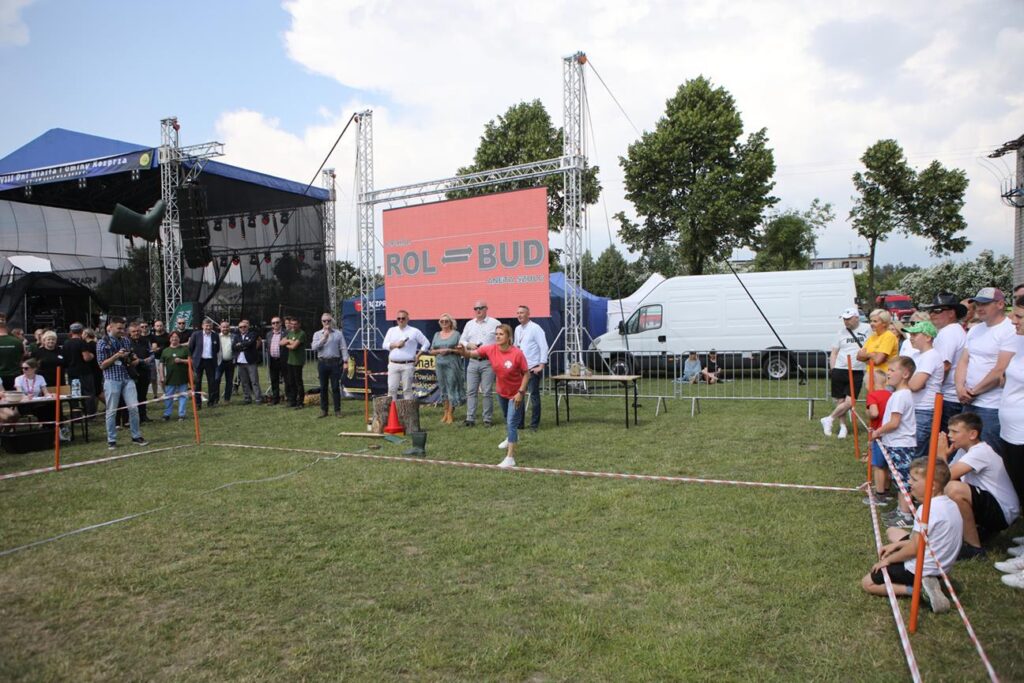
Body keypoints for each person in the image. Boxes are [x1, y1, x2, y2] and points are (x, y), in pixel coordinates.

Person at [860, 458, 960, 614]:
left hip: (921, 569)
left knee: (867, 583)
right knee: (892, 532)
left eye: (914, 479)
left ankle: (916, 590)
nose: (909, 482)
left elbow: (914, 549)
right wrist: (896, 545)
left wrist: (889, 560)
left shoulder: (927, 510)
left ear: (932, 485)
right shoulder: (950, 504)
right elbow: (922, 541)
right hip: (942, 567)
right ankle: (927, 582)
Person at [937, 412, 1020, 560]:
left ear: (973, 434)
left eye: (955, 432)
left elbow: (942, 478)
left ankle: (974, 548)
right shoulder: (963, 451)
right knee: (946, 489)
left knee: (954, 489)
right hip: (990, 505)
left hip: (1002, 511)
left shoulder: (980, 452)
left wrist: (941, 455)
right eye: (949, 431)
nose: (949, 435)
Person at [457, 324, 529, 468]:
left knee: (511, 423)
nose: (497, 336)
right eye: (496, 334)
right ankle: (511, 436)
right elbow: (470, 354)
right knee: (508, 419)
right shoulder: (490, 349)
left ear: (508, 337)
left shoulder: (517, 353)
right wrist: (463, 351)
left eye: (501, 334)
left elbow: (526, 374)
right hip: (501, 392)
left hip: (515, 394)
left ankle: (510, 458)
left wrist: (521, 392)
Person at [954, 287, 1016, 454]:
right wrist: (959, 388)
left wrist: (973, 392)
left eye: (985, 304)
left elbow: (1000, 369)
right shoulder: (975, 330)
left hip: (992, 405)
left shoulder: (1010, 329)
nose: (979, 308)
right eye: (977, 304)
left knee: (990, 454)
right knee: (966, 452)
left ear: (1000, 304)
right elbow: (963, 361)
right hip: (969, 402)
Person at [871, 356, 918, 529]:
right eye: (888, 370)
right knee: (898, 480)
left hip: (901, 445)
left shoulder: (900, 396)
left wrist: (878, 432)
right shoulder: (898, 394)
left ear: (905, 374)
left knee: (903, 481)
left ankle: (906, 515)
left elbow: (894, 422)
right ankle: (900, 510)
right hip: (895, 443)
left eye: (892, 370)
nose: (888, 373)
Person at [96, 316, 148, 450]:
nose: (122, 331)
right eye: (119, 328)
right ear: (111, 327)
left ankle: (136, 436)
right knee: (112, 411)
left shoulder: (125, 340)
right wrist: (116, 356)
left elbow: (130, 357)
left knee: (134, 407)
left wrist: (132, 358)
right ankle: (111, 439)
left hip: (127, 378)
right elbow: (102, 365)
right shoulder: (102, 342)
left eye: (123, 328)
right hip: (111, 379)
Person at [821, 307, 871, 439]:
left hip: (857, 369)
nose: (846, 321)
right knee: (840, 400)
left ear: (856, 318)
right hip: (840, 368)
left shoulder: (867, 329)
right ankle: (843, 427)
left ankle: (829, 419)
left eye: (848, 319)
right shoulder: (840, 333)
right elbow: (834, 352)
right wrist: (833, 369)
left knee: (850, 401)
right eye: (844, 319)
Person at [923, 292, 968, 433]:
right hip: (952, 395)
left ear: (951, 313)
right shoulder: (954, 330)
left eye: (937, 310)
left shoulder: (948, 332)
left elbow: (944, 366)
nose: (932, 314)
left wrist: (927, 386)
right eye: (930, 311)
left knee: (944, 438)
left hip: (948, 396)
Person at [904, 321, 944, 461]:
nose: (911, 337)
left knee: (916, 453)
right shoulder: (916, 356)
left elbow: (915, 385)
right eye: (910, 334)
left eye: (915, 334)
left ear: (928, 337)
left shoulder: (931, 356)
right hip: (914, 407)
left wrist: (904, 381)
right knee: (909, 450)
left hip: (924, 410)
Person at [459, 300, 500, 427]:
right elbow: (462, 340)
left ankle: (487, 419)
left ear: (486, 309)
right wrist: (468, 344)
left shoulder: (495, 323)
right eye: (476, 308)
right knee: (471, 391)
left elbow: (500, 340)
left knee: (487, 391)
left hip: (488, 361)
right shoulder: (469, 324)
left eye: (481, 308)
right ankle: (470, 418)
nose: (478, 310)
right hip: (472, 361)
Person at [514, 304, 549, 431]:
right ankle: (520, 423)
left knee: (534, 396)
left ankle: (534, 425)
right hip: (520, 368)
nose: (519, 315)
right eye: (518, 313)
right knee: (519, 395)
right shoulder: (517, 329)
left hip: (532, 367)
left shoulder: (535, 328)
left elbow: (543, 346)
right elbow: (516, 346)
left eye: (522, 313)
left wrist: (541, 365)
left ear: (528, 314)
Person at [383, 310, 429, 400]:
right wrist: (396, 345)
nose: (401, 320)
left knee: (407, 390)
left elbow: (426, 343)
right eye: (398, 318)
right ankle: (392, 409)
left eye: (403, 318)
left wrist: (418, 355)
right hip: (393, 364)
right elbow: (384, 345)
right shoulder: (391, 330)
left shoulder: (414, 331)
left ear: (408, 319)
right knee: (391, 389)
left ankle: (408, 409)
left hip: (408, 364)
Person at [311, 312, 348, 418]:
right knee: (323, 387)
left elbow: (343, 347)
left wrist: (345, 361)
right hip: (322, 362)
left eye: (328, 320)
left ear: (331, 321)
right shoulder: (317, 334)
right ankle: (324, 410)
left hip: (335, 363)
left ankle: (337, 410)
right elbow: (314, 347)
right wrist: (324, 338)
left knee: (335, 387)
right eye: (324, 321)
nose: (326, 322)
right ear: (321, 322)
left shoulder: (338, 333)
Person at [864, 369, 893, 505]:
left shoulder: (872, 395)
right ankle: (887, 491)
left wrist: (868, 412)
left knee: (878, 466)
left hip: (879, 435)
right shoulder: (891, 395)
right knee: (887, 464)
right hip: (891, 434)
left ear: (871, 383)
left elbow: (874, 413)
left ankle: (880, 495)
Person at [429, 313, 465, 424]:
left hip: (452, 363)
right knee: (442, 387)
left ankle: (450, 413)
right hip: (439, 364)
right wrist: (439, 351)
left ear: (451, 322)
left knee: (451, 387)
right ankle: (445, 412)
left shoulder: (456, 334)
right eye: (442, 321)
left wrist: (450, 350)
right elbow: (431, 351)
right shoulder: (436, 334)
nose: (444, 323)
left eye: (446, 321)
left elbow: (461, 350)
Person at [62, 322, 97, 416]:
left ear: (71, 332)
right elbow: (86, 357)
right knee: (88, 393)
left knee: (74, 394)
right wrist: (92, 355)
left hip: (71, 372)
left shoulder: (66, 343)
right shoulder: (82, 342)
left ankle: (76, 415)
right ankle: (90, 414)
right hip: (84, 372)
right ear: (81, 331)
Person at [188, 319, 220, 410]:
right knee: (197, 382)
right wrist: (193, 358)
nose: (208, 327)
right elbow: (190, 348)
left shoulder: (215, 335)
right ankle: (198, 403)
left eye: (210, 326)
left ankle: (211, 402)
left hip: (210, 361)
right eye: (206, 325)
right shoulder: (196, 334)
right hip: (199, 361)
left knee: (212, 382)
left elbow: (217, 349)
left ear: (212, 326)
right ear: (202, 326)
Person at [857, 309, 900, 374]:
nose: (871, 323)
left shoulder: (889, 336)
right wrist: (872, 355)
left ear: (884, 323)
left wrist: (867, 356)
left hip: (883, 376)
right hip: (870, 375)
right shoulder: (872, 336)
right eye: (871, 321)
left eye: (875, 321)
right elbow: (859, 357)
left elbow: (878, 360)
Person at [160, 331, 190, 421]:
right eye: (172, 337)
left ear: (179, 339)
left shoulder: (185, 349)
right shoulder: (165, 351)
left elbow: (191, 361)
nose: (174, 339)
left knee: (183, 396)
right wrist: (162, 376)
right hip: (170, 378)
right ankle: (167, 414)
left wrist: (181, 360)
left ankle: (182, 414)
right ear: (169, 339)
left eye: (176, 337)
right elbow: (161, 364)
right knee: (169, 396)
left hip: (182, 378)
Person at [233, 319, 263, 405]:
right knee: (244, 382)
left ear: (248, 327)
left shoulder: (252, 334)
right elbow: (233, 347)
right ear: (239, 328)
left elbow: (250, 343)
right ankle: (247, 398)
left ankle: (258, 398)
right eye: (240, 327)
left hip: (251, 361)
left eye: (244, 326)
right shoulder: (236, 336)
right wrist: (244, 344)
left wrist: (240, 344)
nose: (243, 328)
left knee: (254, 381)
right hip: (240, 362)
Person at [128, 322, 154, 423]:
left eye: (138, 331)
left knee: (143, 395)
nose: (136, 333)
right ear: (130, 332)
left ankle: (143, 416)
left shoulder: (146, 341)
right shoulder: (127, 342)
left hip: (145, 372)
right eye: (134, 331)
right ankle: (134, 417)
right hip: (132, 373)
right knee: (133, 396)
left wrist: (145, 360)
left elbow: (152, 354)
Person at [282, 317, 308, 409]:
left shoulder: (301, 334)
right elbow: (281, 342)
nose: (293, 326)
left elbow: (294, 347)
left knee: (298, 382)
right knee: (291, 381)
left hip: (298, 361)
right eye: (292, 324)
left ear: (299, 324)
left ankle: (300, 402)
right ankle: (292, 401)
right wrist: (289, 341)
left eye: (295, 324)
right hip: (290, 361)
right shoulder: (290, 333)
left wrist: (287, 344)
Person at [266, 316, 286, 405]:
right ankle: (275, 398)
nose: (275, 324)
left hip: (283, 360)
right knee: (274, 380)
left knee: (287, 380)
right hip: (273, 360)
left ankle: (289, 398)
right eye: (273, 323)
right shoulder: (269, 334)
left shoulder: (286, 333)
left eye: (277, 322)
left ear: (281, 323)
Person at [215, 320, 236, 404]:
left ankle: (227, 399)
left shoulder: (234, 336)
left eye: (227, 327)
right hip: (219, 362)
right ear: (220, 328)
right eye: (223, 327)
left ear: (229, 328)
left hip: (230, 362)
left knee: (229, 381)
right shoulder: (216, 337)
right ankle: (216, 399)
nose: (225, 329)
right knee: (216, 380)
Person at [148, 319, 170, 399]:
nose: (159, 327)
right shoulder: (152, 337)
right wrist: (156, 349)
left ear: (163, 326)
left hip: (168, 359)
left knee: (168, 377)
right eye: (157, 326)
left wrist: (159, 348)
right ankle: (166, 393)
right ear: (154, 327)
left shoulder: (168, 335)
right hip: (157, 359)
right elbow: (153, 348)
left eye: (161, 325)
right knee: (161, 379)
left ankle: (171, 393)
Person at [0, 320, 24, 390]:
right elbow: (22, 357)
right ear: (6, 328)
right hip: (14, 376)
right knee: (14, 396)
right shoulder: (17, 342)